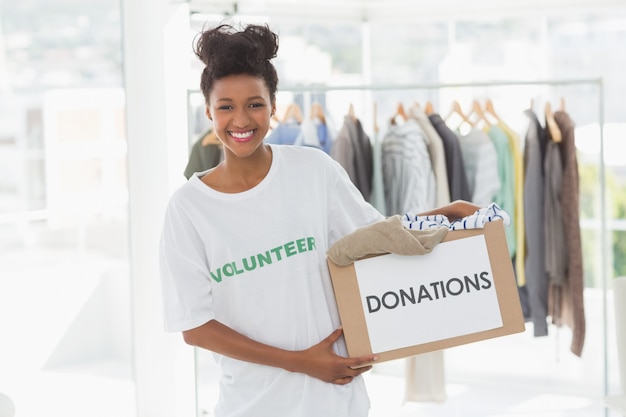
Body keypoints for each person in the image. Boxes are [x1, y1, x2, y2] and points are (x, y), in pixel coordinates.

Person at [159, 23, 384, 417]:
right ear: (208, 111)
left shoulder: (314, 170)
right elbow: (194, 326)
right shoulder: (188, 208)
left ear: (274, 106)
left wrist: (446, 218)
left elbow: (376, 240)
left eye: (255, 104)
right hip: (251, 405)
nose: (241, 120)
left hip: (336, 399)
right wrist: (301, 361)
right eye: (226, 106)